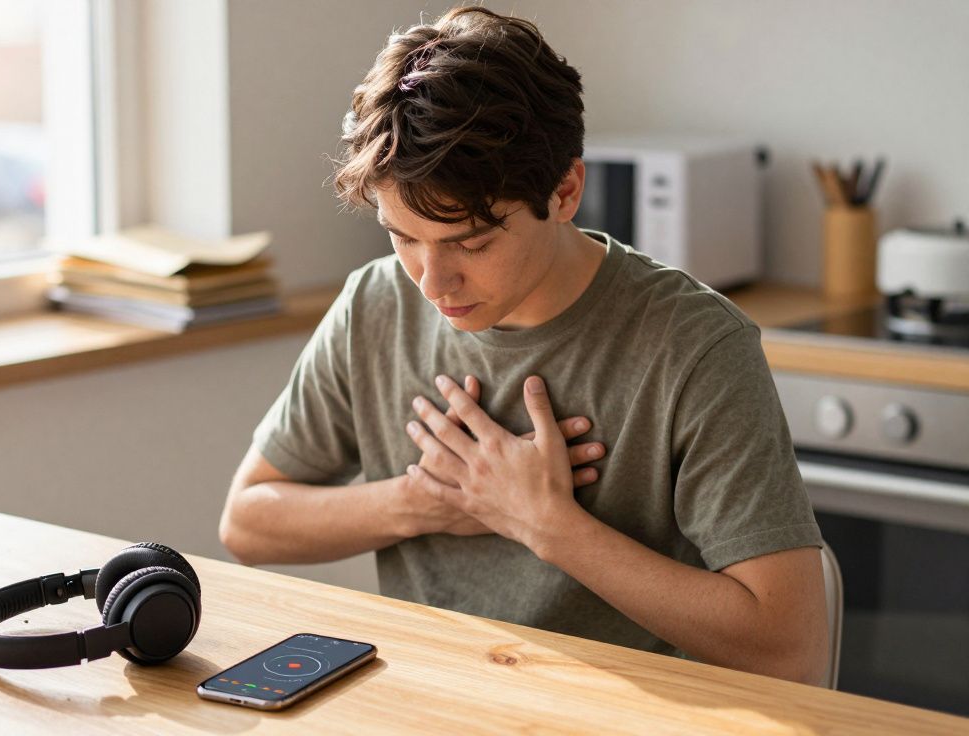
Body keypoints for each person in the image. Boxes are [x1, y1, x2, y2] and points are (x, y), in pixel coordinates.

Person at [218, 6, 827, 684]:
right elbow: (248, 522)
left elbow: (786, 643)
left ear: (565, 190)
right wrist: (425, 501)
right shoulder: (375, 303)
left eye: (471, 242)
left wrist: (545, 523)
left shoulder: (695, 346)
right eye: (402, 236)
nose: (431, 280)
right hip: (431, 702)